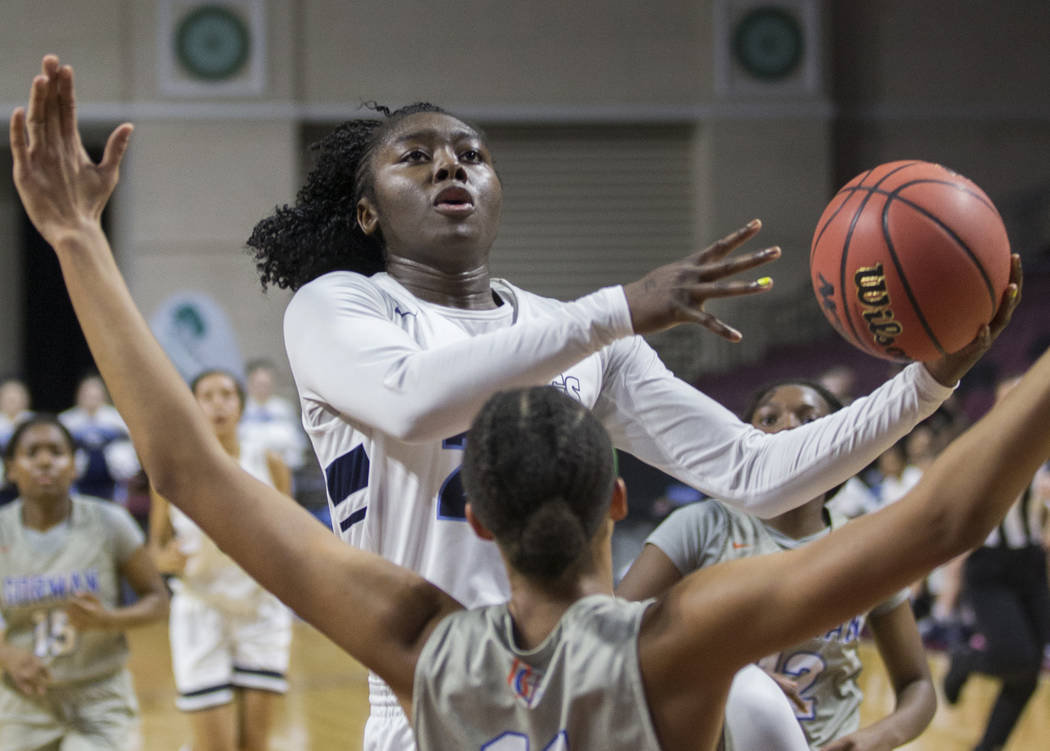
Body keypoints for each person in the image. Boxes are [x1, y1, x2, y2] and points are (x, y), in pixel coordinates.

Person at [10, 56, 1027, 751]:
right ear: (367, 211)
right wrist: (618, 308)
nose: (452, 160)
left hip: (487, 660)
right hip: (425, 696)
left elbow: (761, 473)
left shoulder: (575, 331)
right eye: (416, 154)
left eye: (472, 152)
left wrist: (932, 377)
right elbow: (412, 402)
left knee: (762, 713)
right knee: (750, 701)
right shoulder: (341, 305)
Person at [617, 380, 936, 750]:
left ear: (845, 442)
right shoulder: (703, 525)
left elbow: (919, 684)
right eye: (769, 418)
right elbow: (611, 635)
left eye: (809, 418)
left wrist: (875, 739)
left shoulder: (868, 545)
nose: (787, 424)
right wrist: (730, 672)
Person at [0, 414, 168, 750]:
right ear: (11, 469)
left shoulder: (110, 522)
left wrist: (110, 620)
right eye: (32, 453)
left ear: (74, 466)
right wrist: (5, 655)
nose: (46, 461)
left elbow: (158, 601)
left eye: (57, 452)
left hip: (100, 694)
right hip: (23, 699)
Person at [149, 369, 293, 751]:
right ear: (193, 407)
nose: (218, 403)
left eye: (227, 394)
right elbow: (156, 553)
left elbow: (294, 539)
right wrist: (167, 559)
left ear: (241, 406)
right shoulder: (172, 469)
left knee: (255, 745)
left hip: (259, 607)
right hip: (201, 607)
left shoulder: (270, 462)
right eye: (207, 396)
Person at [942, 374, 1050, 751]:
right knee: (1015, 657)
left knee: (1027, 676)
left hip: (1031, 564)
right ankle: (967, 660)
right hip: (990, 566)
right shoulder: (984, 447)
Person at [60, 373, 140, 502]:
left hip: (113, 480)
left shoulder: (118, 419)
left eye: (95, 395)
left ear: (103, 396)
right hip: (78, 480)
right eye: (87, 395)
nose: (91, 399)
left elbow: (132, 447)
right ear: (79, 396)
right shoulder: (66, 420)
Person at [239, 358, 307, 471]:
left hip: (284, 467)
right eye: (259, 384)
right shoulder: (241, 409)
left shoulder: (283, 408)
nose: (263, 389)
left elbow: (297, 442)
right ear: (249, 383)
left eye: (266, 384)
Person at [0, 376, 34, 506]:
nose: (12, 400)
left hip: (29, 483)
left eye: (16, 396)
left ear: (25, 399)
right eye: (8, 397)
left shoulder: (35, 423)